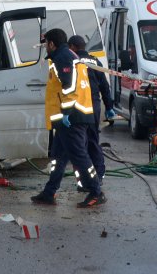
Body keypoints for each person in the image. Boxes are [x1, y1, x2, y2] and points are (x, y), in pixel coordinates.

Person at [31, 28, 106, 208]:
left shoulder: (63, 57)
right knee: (58, 156)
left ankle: (96, 191)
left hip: (72, 117)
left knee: (79, 156)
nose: (45, 48)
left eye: (46, 44)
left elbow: (70, 86)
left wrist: (66, 112)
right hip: (71, 116)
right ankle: (49, 192)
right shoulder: (68, 55)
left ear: (51, 43)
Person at [67, 34, 115, 190]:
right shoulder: (94, 61)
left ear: (73, 47)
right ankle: (99, 175)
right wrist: (109, 107)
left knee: (80, 145)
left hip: (78, 107)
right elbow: (105, 87)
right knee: (93, 141)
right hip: (94, 106)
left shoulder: (72, 61)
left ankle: (85, 180)